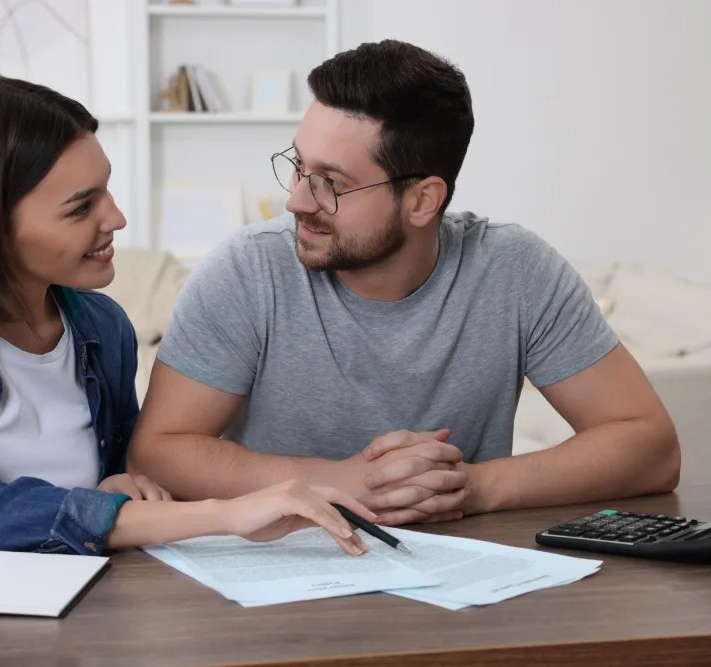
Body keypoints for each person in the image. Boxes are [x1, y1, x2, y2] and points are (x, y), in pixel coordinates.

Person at [128, 40, 680, 524]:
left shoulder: (516, 270)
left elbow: (651, 447)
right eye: (298, 166)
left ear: (422, 200)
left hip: (466, 573)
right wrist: (342, 482)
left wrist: (473, 486)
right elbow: (157, 452)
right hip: (282, 566)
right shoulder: (247, 270)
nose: (297, 199)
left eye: (331, 184)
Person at [0, 75, 374, 557]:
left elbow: (122, 480)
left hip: (85, 592)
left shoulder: (102, 327)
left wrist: (119, 488)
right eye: (81, 207)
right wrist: (227, 513)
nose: (116, 217)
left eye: (106, 190)